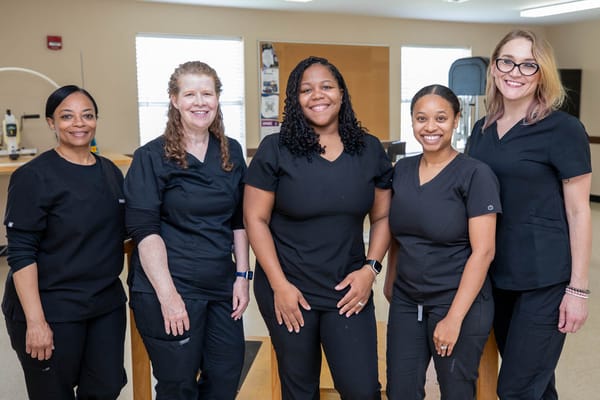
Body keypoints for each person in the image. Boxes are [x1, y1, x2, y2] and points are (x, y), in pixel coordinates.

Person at [244, 56, 392, 399]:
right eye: (305, 89)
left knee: (363, 389)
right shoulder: (275, 149)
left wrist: (370, 270)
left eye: (326, 86)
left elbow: (383, 217)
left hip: (348, 290)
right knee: (300, 390)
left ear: (341, 93)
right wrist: (280, 285)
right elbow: (255, 219)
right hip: (289, 289)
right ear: (294, 99)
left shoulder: (368, 149)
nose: (317, 95)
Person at [466, 29, 592, 400]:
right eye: (507, 61)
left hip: (545, 282)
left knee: (517, 389)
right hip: (498, 277)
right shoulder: (481, 130)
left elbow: (579, 211)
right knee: (537, 383)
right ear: (493, 67)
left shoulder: (564, 130)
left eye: (528, 64)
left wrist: (578, 290)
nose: (515, 72)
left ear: (542, 73)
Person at [124, 61, 249, 400]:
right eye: (189, 93)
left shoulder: (231, 151)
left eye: (207, 93)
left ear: (218, 99)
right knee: (178, 386)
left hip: (221, 286)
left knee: (225, 376)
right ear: (174, 100)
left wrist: (242, 276)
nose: (199, 101)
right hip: (169, 287)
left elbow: (239, 218)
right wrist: (169, 297)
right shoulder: (150, 156)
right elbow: (144, 229)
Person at [2, 85, 127, 399]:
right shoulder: (33, 177)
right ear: (51, 123)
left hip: (104, 304)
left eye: (87, 115)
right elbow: (21, 252)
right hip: (50, 306)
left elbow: (124, 230)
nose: (79, 123)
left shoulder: (110, 173)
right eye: (67, 116)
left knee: (107, 386)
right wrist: (36, 322)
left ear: (96, 119)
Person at [384, 84, 501, 399]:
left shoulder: (475, 174)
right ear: (412, 121)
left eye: (441, 118)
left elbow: (484, 251)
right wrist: (391, 276)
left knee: (455, 391)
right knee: (401, 390)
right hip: (407, 301)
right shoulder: (402, 170)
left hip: (456, 301)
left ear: (456, 120)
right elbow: (398, 231)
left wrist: (454, 318)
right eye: (421, 118)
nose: (430, 127)